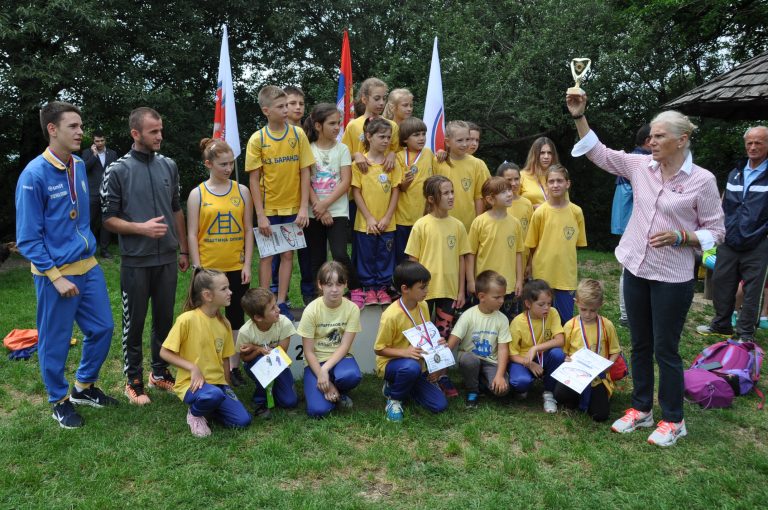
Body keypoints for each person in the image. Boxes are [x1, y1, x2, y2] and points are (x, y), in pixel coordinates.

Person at [567, 92, 725, 447]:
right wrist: (579, 116)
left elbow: (717, 232)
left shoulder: (702, 181)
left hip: (672, 278)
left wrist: (682, 237)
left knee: (665, 349)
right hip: (636, 268)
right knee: (639, 344)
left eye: (659, 136)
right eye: (651, 136)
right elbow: (600, 153)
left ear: (681, 140)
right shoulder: (641, 166)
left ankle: (674, 419)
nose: (651, 141)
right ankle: (641, 409)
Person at [15, 101, 117, 428]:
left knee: (103, 328)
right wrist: (55, 276)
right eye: (73, 126)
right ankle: (59, 400)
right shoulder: (33, 175)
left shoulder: (78, 164)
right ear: (52, 129)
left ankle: (83, 387)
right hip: (55, 275)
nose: (80, 132)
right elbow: (28, 238)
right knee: (55, 340)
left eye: (81, 125)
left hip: (88, 265)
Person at [102, 107, 190, 405]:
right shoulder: (117, 170)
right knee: (135, 323)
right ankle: (134, 381)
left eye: (160, 130)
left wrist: (183, 248)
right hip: (135, 261)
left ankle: (159, 372)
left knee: (165, 320)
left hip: (167, 259)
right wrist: (140, 228)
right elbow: (107, 219)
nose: (160, 136)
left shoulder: (169, 165)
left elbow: (176, 208)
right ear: (135, 133)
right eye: (153, 131)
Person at [186, 138, 253, 387]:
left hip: (235, 266)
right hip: (209, 269)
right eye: (223, 164)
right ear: (208, 164)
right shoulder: (198, 194)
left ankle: (234, 368)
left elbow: (248, 229)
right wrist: (197, 267)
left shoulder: (242, 191)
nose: (228, 168)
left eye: (231, 163)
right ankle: (206, 365)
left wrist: (247, 264)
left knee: (235, 317)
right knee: (205, 318)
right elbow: (192, 233)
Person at [245, 85, 314, 321]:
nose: (286, 110)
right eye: (281, 106)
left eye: (287, 105)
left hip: (293, 208)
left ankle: (281, 302)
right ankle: (264, 303)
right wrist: (260, 215)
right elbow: (253, 180)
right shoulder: (258, 139)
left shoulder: (298, 135)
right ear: (266, 111)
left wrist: (303, 207)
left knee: (287, 255)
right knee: (267, 257)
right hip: (269, 209)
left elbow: (305, 171)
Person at [696, 126, 768, 343]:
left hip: (758, 242)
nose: (753, 147)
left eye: (758, 142)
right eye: (749, 143)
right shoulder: (735, 172)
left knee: (753, 290)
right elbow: (723, 203)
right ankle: (721, 325)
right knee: (721, 282)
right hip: (729, 239)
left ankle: (745, 333)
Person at [160, 268, 252, 437]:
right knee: (212, 395)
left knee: (242, 420)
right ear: (208, 295)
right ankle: (195, 414)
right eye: (224, 289)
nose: (230, 292)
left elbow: (225, 358)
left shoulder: (224, 323)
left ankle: (209, 409)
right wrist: (193, 368)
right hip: (192, 384)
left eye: (228, 287)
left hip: (218, 385)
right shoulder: (186, 319)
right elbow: (164, 353)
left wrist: (226, 385)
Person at [405, 175, 470, 397]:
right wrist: (415, 291)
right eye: (445, 193)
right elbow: (413, 261)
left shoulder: (458, 226)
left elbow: (462, 259)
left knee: (443, 335)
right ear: (432, 199)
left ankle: (441, 375)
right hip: (424, 293)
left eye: (452, 192)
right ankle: (421, 375)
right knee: (422, 335)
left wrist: (461, 290)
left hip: (449, 291)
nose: (451, 197)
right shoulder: (421, 225)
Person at [302, 103, 363, 307]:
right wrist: (318, 207)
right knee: (317, 257)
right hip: (314, 211)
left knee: (339, 254)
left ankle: (355, 289)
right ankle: (319, 297)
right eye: (332, 124)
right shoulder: (308, 148)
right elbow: (305, 181)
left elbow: (345, 182)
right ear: (318, 126)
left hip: (337, 210)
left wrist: (326, 205)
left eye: (339, 123)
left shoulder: (342, 149)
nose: (337, 127)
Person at [373, 261, 449, 422]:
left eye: (427, 286)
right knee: (411, 367)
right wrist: (405, 352)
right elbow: (379, 349)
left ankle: (404, 385)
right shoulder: (391, 316)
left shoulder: (424, 306)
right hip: (392, 364)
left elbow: (426, 336)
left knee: (439, 404)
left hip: (417, 364)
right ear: (405, 289)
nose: (427, 291)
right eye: (422, 287)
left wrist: (438, 344)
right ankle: (394, 399)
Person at [298, 261, 362, 418]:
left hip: (341, 358)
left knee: (351, 376)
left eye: (339, 284)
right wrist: (320, 372)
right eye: (329, 284)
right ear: (320, 285)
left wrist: (325, 370)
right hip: (316, 361)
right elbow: (308, 351)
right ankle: (329, 390)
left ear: (345, 284)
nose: (334, 289)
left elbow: (345, 346)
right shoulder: (311, 310)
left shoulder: (352, 308)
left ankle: (338, 390)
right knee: (318, 411)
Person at [525, 165, 587, 323]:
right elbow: (532, 245)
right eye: (551, 181)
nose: (555, 185)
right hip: (543, 275)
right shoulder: (540, 212)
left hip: (566, 277)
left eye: (559, 181)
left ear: (568, 183)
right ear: (546, 185)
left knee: (565, 321)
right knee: (541, 321)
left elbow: (576, 244)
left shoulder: (576, 212)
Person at [553, 279, 621, 422]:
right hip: (575, 375)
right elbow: (563, 351)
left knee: (600, 416)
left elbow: (615, 350)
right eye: (583, 309)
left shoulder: (607, 325)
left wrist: (609, 364)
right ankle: (575, 399)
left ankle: (593, 398)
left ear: (600, 305)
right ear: (576, 302)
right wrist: (566, 358)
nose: (588, 314)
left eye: (593, 310)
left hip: (597, 378)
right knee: (559, 395)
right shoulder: (570, 326)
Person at [271, 85, 314, 306]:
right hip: (278, 204)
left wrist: (307, 204)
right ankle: (277, 295)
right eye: (291, 103)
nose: (297, 108)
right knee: (277, 253)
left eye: (301, 103)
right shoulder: (269, 135)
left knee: (306, 253)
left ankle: (309, 293)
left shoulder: (309, 133)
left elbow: (309, 171)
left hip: (304, 204)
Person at [351, 118, 402, 306]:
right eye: (381, 136)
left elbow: (396, 191)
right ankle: (369, 289)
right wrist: (369, 218)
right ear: (369, 136)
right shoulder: (360, 164)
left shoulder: (392, 164)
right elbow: (356, 192)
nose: (386, 140)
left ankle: (382, 288)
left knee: (384, 256)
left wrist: (387, 217)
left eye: (388, 137)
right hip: (365, 223)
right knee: (366, 257)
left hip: (387, 223)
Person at [448, 270, 511, 409]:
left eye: (503, 296)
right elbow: (452, 342)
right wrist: (439, 370)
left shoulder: (502, 319)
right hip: (471, 358)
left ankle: (481, 381)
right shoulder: (468, 315)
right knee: (469, 360)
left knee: (502, 391)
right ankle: (472, 390)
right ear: (482, 296)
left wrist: (500, 376)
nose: (502, 301)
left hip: (491, 361)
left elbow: (503, 349)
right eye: (497, 297)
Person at [467, 176, 524, 321]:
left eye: (509, 190)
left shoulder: (515, 223)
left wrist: (519, 280)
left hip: (508, 286)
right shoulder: (479, 222)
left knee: (507, 323)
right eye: (504, 192)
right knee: (483, 323)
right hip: (485, 286)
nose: (509, 194)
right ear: (490, 199)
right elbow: (471, 254)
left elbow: (518, 253)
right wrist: (471, 281)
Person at [238, 287, 298, 419]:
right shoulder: (245, 332)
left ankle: (274, 389)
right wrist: (258, 350)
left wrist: (254, 346)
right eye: (272, 308)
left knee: (290, 401)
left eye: (276, 304)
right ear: (258, 317)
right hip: (254, 364)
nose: (278, 310)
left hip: (278, 363)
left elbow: (281, 353)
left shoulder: (284, 322)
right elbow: (245, 358)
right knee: (262, 363)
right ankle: (259, 400)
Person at [612, 124, 651, 327]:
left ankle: (629, 314)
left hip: (628, 223)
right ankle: (626, 315)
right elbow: (631, 199)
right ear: (648, 141)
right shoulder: (640, 162)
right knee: (629, 268)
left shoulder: (632, 160)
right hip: (634, 224)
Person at [508, 279, 566, 413]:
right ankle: (523, 387)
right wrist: (529, 364)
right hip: (524, 360)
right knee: (520, 382)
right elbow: (512, 354)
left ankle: (549, 392)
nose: (547, 308)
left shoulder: (553, 313)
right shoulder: (518, 322)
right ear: (528, 304)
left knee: (558, 354)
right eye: (541, 304)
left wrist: (536, 348)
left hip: (544, 357)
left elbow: (560, 340)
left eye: (549, 303)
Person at [394, 117, 435, 265]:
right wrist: (406, 182)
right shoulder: (398, 157)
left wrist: (442, 153)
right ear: (405, 139)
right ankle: (401, 279)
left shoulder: (429, 154)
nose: (421, 138)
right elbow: (400, 187)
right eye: (416, 135)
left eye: (423, 134)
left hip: (424, 215)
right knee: (403, 255)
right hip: (402, 217)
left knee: (422, 255)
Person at [435, 121, 489, 233]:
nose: (465, 144)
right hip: (440, 224)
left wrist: (478, 223)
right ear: (447, 142)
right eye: (460, 140)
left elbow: (479, 197)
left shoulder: (478, 164)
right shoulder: (437, 162)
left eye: (467, 139)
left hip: (468, 226)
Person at [342, 77, 400, 173]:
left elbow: (399, 151)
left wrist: (393, 154)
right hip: (360, 176)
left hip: (385, 176)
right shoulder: (353, 125)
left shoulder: (392, 125)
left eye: (384, 98)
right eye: (377, 98)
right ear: (364, 99)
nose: (381, 103)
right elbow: (343, 154)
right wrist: (356, 155)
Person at [81, 129, 116, 259]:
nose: (100, 143)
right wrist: (94, 155)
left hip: (108, 192)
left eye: (102, 140)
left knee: (106, 222)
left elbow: (115, 171)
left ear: (105, 140)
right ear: (93, 141)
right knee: (90, 222)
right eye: (97, 141)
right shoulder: (87, 153)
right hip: (92, 193)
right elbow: (84, 168)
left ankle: (104, 250)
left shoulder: (112, 153)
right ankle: (87, 249)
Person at [498, 162, 533, 278]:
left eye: (516, 179)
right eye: (509, 180)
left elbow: (531, 236)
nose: (514, 183)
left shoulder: (527, 204)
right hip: (501, 262)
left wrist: (530, 263)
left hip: (522, 261)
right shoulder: (495, 204)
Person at [519, 137, 561, 208]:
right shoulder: (521, 176)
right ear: (534, 154)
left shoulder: (559, 176)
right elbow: (513, 203)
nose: (546, 156)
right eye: (542, 153)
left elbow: (566, 204)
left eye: (549, 153)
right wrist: (533, 207)